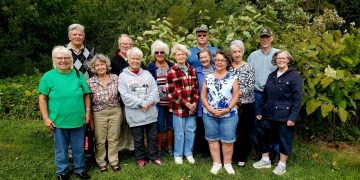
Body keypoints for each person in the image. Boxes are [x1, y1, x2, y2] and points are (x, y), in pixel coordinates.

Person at [38, 46, 91, 180]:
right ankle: (62, 172)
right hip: (58, 121)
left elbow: (86, 95)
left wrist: (88, 112)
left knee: (78, 148)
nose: (63, 61)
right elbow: (42, 99)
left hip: (78, 119)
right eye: (59, 58)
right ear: (54, 60)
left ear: (71, 59)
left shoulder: (78, 74)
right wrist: (46, 118)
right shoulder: (48, 76)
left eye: (66, 58)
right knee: (61, 149)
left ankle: (80, 169)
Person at [253, 50, 302, 175]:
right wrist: (259, 110)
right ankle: (265, 160)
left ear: (288, 60)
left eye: (283, 58)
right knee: (263, 134)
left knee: (284, 138)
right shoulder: (272, 75)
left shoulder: (294, 75)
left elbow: (297, 98)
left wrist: (293, 117)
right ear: (275, 60)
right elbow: (264, 95)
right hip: (268, 113)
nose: (281, 60)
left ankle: (282, 164)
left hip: (284, 115)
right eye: (279, 58)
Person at [118, 47, 163, 168]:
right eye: (133, 58)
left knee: (152, 137)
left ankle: (154, 157)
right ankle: (140, 159)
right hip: (135, 113)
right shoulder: (123, 76)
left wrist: (149, 102)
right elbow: (125, 96)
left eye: (138, 59)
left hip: (150, 112)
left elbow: (154, 90)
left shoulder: (147, 74)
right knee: (138, 139)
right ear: (128, 59)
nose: (136, 61)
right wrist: (142, 103)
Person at [201, 50, 239, 175]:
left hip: (229, 114)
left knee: (228, 140)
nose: (219, 62)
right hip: (209, 114)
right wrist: (209, 109)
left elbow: (235, 96)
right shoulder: (208, 77)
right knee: (212, 139)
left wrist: (227, 109)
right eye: (217, 60)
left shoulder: (233, 77)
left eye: (222, 60)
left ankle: (227, 164)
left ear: (227, 62)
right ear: (214, 61)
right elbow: (203, 96)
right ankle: (216, 163)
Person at [247, 27, 279, 159]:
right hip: (257, 94)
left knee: (274, 124)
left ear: (272, 38)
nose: (265, 39)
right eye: (262, 37)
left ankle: (275, 152)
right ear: (259, 39)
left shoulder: (278, 54)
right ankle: (259, 150)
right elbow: (248, 75)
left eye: (267, 37)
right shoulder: (253, 56)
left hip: (274, 95)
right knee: (257, 124)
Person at [87, 54, 122, 173]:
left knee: (114, 138)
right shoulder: (90, 82)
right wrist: (90, 117)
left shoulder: (115, 78)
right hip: (98, 113)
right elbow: (88, 101)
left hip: (115, 111)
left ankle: (114, 161)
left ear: (106, 65)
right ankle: (101, 162)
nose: (100, 67)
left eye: (102, 64)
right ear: (93, 68)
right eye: (97, 65)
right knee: (100, 139)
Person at [166, 44, 198, 165]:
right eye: (178, 54)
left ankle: (188, 153)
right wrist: (187, 104)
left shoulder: (192, 69)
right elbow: (171, 93)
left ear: (186, 55)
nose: (181, 56)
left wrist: (194, 103)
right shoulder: (171, 71)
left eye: (183, 54)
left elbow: (196, 89)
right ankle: (178, 154)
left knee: (190, 130)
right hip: (178, 107)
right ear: (174, 56)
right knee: (179, 132)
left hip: (192, 107)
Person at [229, 40, 255, 168]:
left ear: (243, 53)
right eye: (234, 52)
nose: (237, 54)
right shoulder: (228, 67)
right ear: (231, 54)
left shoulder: (249, 67)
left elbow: (251, 86)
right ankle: (232, 156)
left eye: (239, 51)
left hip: (246, 104)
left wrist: (237, 94)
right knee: (231, 131)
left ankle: (242, 158)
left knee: (244, 132)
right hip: (231, 105)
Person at [147, 40, 174, 156]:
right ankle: (158, 148)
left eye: (162, 52)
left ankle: (169, 147)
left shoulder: (171, 65)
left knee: (171, 125)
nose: (159, 54)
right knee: (159, 125)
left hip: (172, 101)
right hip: (157, 102)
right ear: (154, 53)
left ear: (165, 53)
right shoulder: (150, 66)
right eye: (157, 52)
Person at [110, 34, 135, 154]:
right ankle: (120, 147)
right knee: (120, 123)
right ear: (119, 45)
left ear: (132, 45)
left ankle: (131, 146)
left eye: (128, 44)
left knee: (131, 122)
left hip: (134, 98)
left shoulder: (135, 58)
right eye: (123, 44)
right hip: (118, 98)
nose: (125, 46)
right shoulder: (113, 61)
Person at [195, 49, 215, 156]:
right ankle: (204, 150)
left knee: (214, 125)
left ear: (210, 57)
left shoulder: (217, 68)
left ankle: (216, 147)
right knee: (202, 126)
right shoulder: (196, 71)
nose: (203, 59)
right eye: (201, 58)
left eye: (205, 57)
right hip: (201, 103)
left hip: (216, 103)